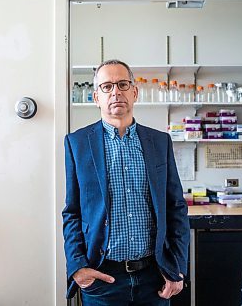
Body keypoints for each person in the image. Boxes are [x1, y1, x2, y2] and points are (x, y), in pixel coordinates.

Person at [62, 59, 190, 305]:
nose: (116, 92)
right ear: (96, 97)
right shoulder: (77, 144)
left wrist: (178, 268)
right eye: (107, 86)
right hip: (102, 279)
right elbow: (72, 212)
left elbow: (176, 208)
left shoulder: (160, 142)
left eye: (122, 84)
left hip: (156, 277)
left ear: (134, 92)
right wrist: (77, 266)